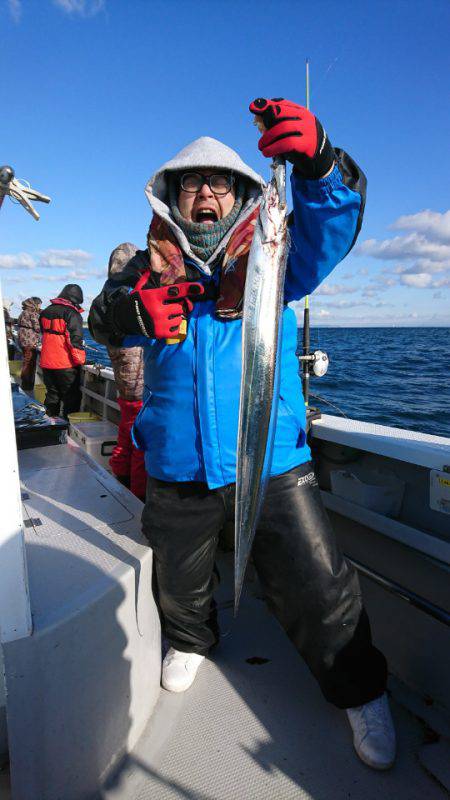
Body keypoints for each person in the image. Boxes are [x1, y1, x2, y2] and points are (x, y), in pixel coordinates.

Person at [89, 97, 396, 770]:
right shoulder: (146, 268)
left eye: (218, 182)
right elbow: (100, 319)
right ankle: (193, 640)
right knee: (180, 581)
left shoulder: (276, 258)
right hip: (175, 459)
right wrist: (130, 308)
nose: (204, 192)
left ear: (239, 196)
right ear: (173, 196)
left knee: (321, 586)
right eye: (191, 182)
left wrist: (320, 161)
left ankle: (359, 689)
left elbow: (334, 223)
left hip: (273, 461)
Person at [106, 243, 147, 501]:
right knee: (141, 443)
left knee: (126, 432)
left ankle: (120, 477)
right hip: (140, 388)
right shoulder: (131, 299)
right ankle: (137, 495)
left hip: (124, 386)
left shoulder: (108, 300)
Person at [40, 284, 86, 418]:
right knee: (71, 398)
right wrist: (81, 361)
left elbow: (44, 333)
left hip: (46, 362)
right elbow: (75, 341)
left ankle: (50, 423)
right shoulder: (72, 313)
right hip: (65, 364)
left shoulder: (46, 311)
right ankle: (67, 428)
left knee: (52, 394)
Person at [17, 296, 42, 391]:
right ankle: (27, 386)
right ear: (35, 304)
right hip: (29, 341)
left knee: (26, 361)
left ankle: (25, 384)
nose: (40, 307)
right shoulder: (32, 313)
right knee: (29, 363)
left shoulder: (24, 311)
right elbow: (37, 327)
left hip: (23, 339)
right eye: (39, 304)